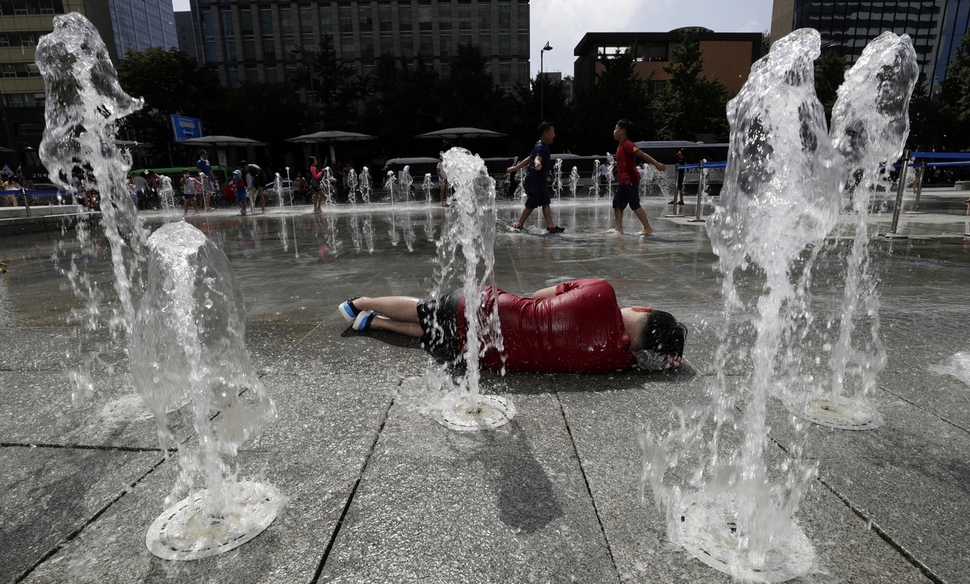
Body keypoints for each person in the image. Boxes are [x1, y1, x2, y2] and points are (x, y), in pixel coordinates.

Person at [337, 278, 686, 373]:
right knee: (438, 334)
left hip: (485, 309)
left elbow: (538, 294)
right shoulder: (618, 361)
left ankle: (361, 304)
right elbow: (638, 360)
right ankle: (376, 324)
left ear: (643, 307)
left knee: (425, 310)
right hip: (483, 355)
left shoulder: (602, 291)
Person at [609, 119, 666, 236]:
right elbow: (625, 161)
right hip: (623, 181)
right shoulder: (620, 146)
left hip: (630, 180)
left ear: (623, 131)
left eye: (616, 128)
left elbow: (642, 154)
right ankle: (618, 228)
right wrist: (616, 164)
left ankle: (647, 228)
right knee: (617, 204)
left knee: (634, 205)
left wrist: (656, 164)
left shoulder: (628, 144)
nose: (614, 131)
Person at [506, 122, 564, 233]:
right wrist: (538, 163)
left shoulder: (539, 145)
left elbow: (529, 159)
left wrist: (515, 168)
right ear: (546, 134)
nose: (554, 135)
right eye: (553, 132)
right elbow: (536, 158)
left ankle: (551, 226)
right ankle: (519, 224)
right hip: (535, 180)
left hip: (538, 180)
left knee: (545, 201)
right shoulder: (541, 147)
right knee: (532, 203)